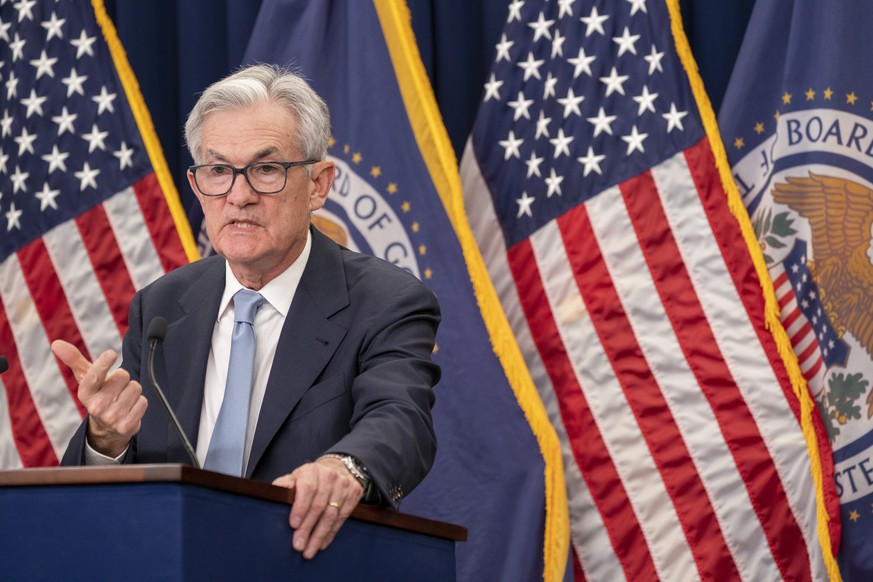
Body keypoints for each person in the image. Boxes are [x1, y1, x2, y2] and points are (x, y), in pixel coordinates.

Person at [51, 64, 440, 560]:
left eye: (266, 169)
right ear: (198, 185)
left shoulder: (387, 301)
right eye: (218, 171)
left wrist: (346, 468)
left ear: (318, 185)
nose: (239, 195)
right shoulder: (162, 305)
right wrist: (106, 439)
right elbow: (110, 497)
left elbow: (402, 418)